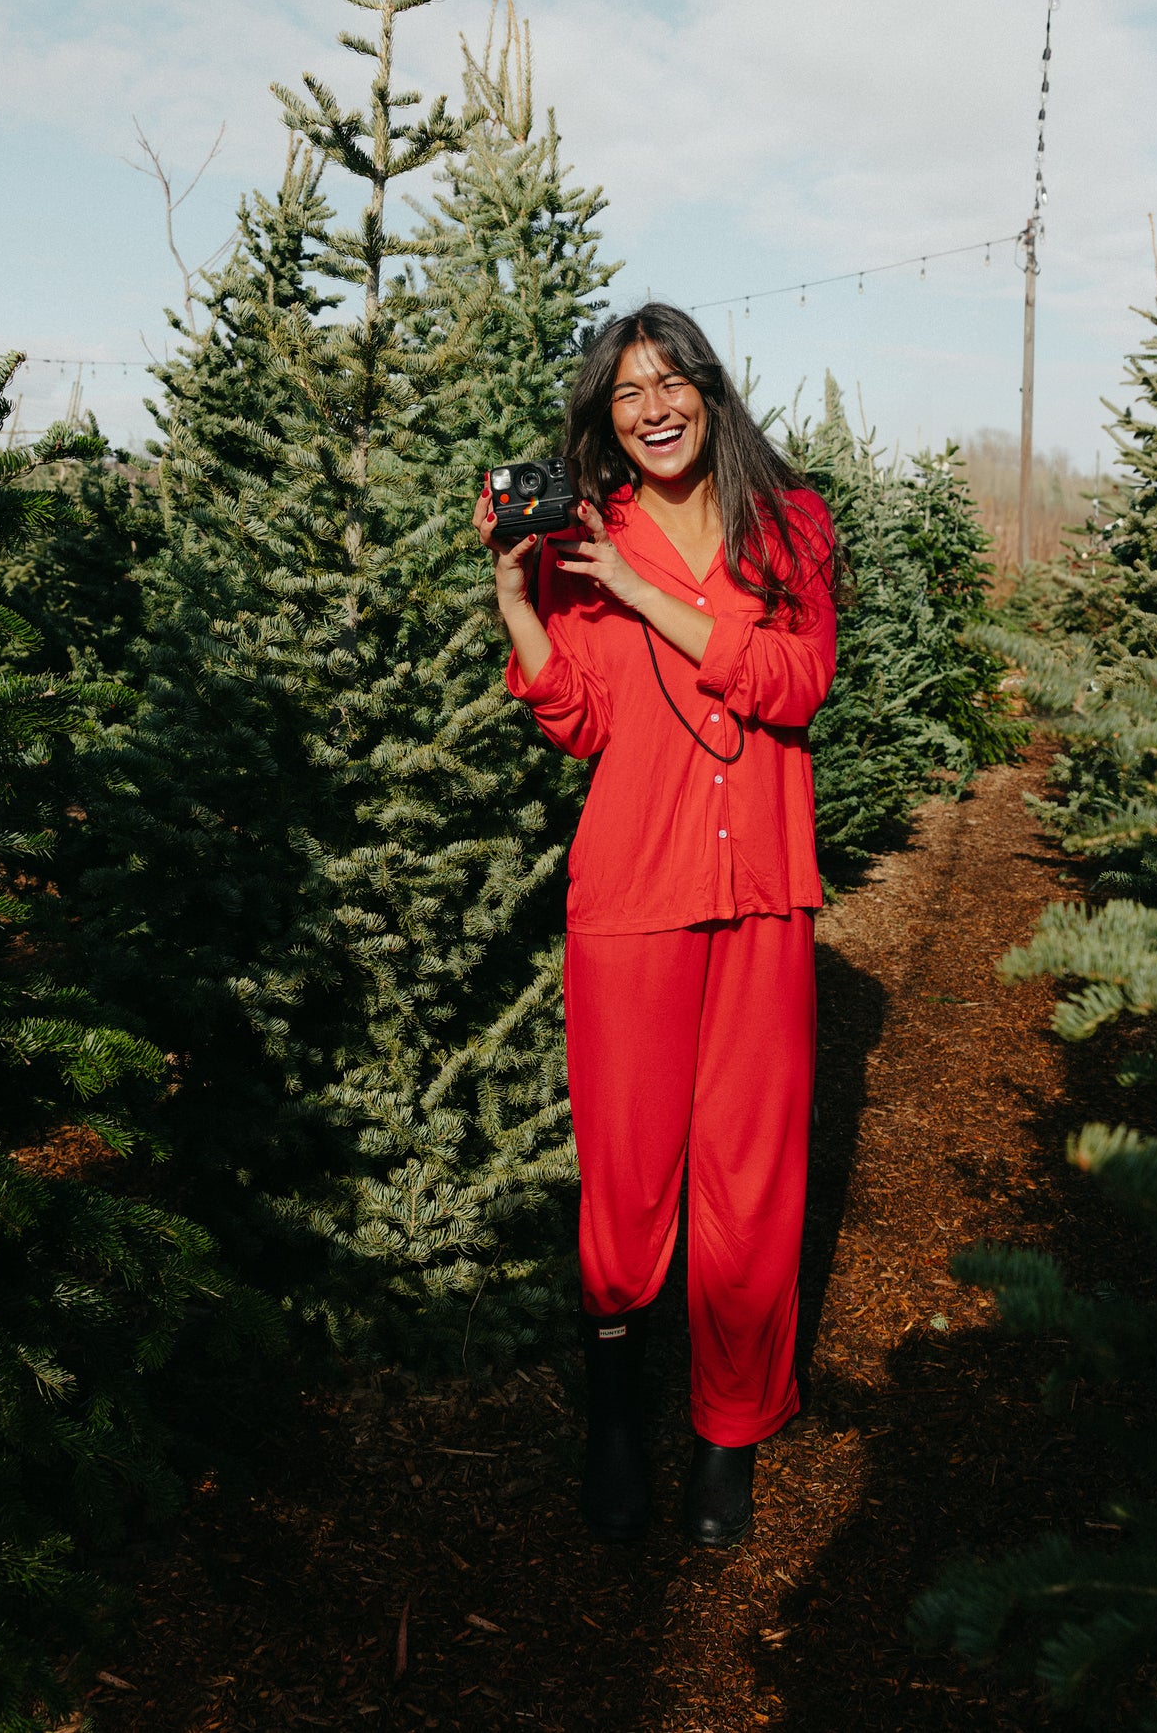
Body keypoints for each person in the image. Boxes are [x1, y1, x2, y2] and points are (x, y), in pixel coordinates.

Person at [474, 302, 837, 1548]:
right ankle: (614, 1416)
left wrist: (640, 591)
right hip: (629, 890)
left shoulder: (787, 524)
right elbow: (578, 716)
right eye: (624, 392)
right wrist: (523, 602)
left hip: (760, 895)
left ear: (707, 388)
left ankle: (726, 1436)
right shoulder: (583, 531)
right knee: (627, 1180)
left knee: (751, 1175)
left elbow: (794, 684)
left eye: (668, 380)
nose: (651, 407)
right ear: (604, 416)